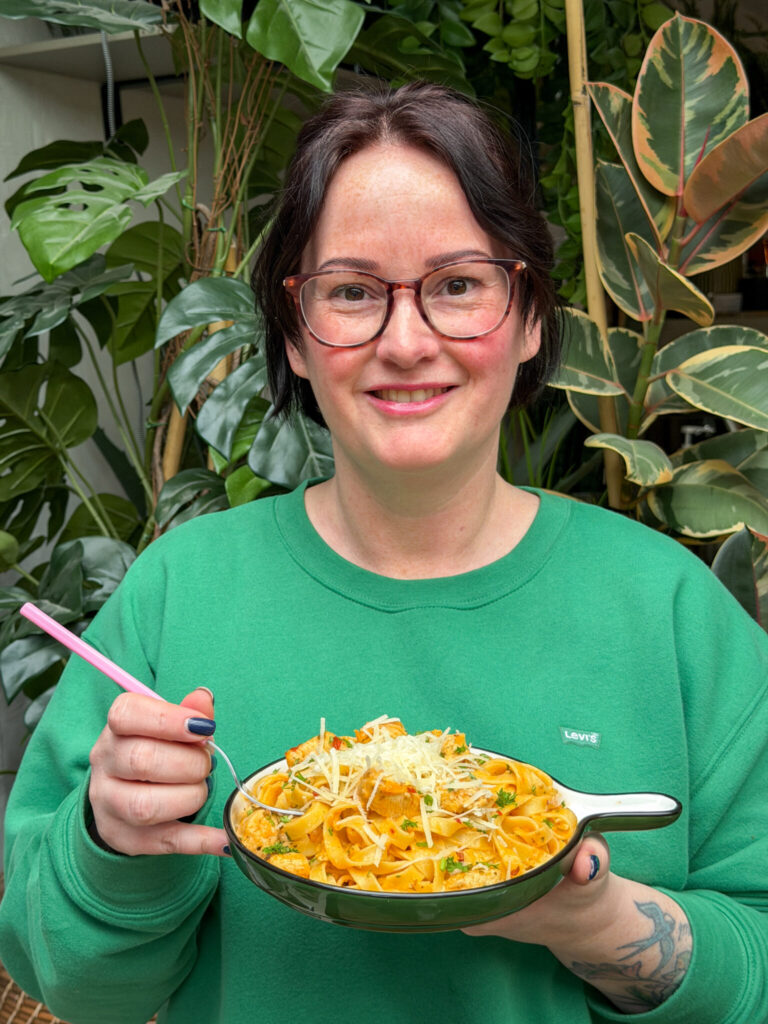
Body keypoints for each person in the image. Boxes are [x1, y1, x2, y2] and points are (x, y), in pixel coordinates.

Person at [1, 81, 766, 1024]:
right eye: (354, 291)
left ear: (529, 319)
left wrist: (592, 920)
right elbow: (70, 985)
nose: (406, 342)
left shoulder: (671, 612)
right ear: (292, 334)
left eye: (457, 285)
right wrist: (110, 844)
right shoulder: (178, 591)